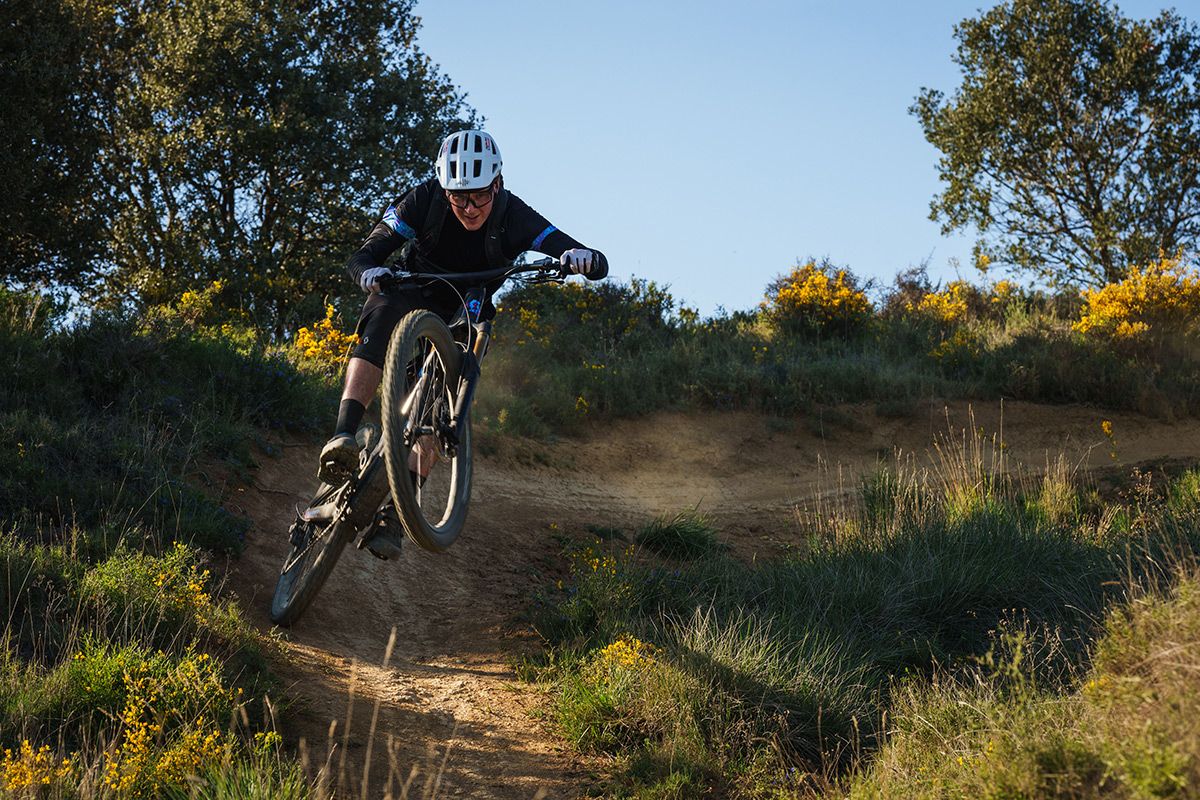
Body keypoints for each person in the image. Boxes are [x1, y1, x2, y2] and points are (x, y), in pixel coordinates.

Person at [318, 129, 608, 552]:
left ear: (497, 184)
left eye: (479, 196)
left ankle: (398, 514)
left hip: (470, 303)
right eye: (458, 197)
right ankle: (343, 436)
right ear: (443, 188)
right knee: (380, 316)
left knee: (445, 407)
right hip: (416, 287)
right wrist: (368, 272)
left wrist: (583, 259)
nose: (469, 208)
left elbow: (575, 250)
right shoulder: (422, 200)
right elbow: (365, 253)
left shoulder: (514, 215)